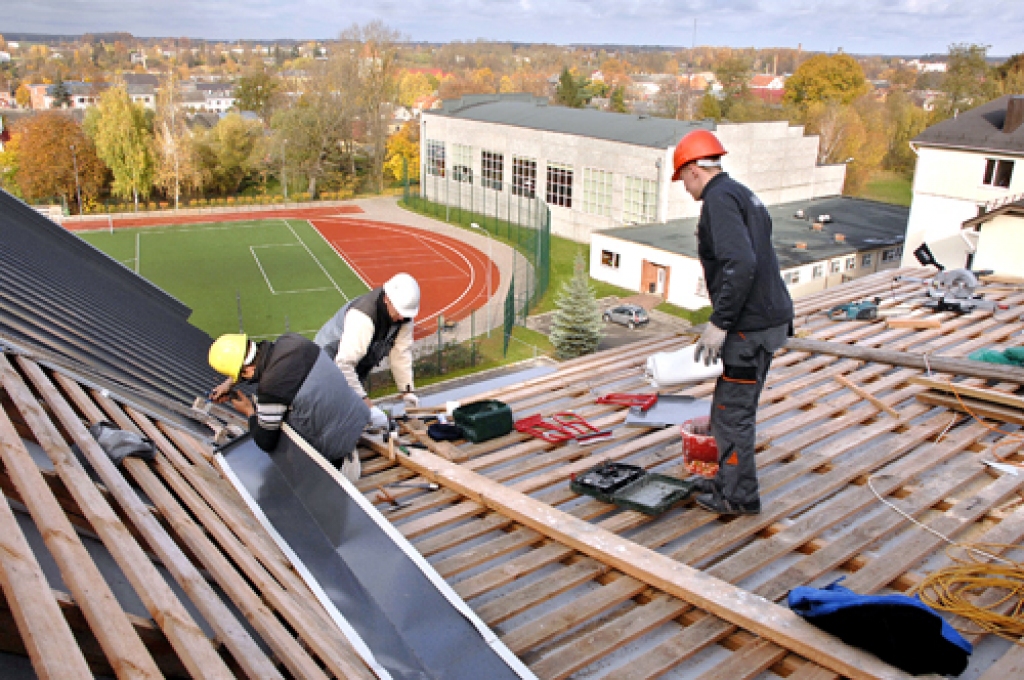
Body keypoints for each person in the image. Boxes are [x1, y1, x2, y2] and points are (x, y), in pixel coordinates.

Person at [672, 129, 794, 516]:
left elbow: (741, 262)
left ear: (693, 169)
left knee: (732, 415)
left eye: (683, 180)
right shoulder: (743, 194)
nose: (685, 189)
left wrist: (720, 322)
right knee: (729, 408)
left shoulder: (719, 199)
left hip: (748, 329)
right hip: (766, 322)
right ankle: (727, 481)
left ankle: (738, 497)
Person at [208, 332, 370, 482]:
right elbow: (261, 365)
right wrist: (229, 383)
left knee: (279, 435)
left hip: (338, 450)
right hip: (357, 415)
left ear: (246, 370)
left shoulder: (271, 389)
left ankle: (340, 467)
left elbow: (265, 442)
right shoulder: (292, 341)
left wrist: (249, 411)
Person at [315, 273, 421, 413]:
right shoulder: (363, 316)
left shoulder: (404, 318)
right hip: (326, 363)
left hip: (355, 366)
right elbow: (344, 363)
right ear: (387, 299)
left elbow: (401, 353)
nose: (402, 317)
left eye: (406, 314)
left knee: (354, 413)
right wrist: (367, 405)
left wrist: (407, 391)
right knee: (330, 411)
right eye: (400, 311)